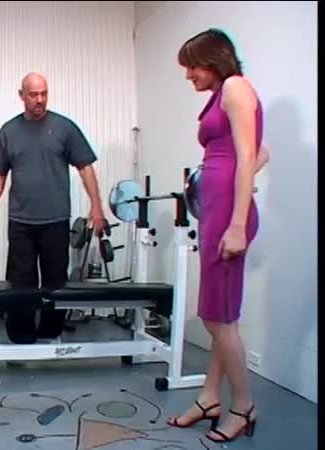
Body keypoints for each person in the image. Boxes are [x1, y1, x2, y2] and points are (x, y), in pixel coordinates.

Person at [166, 29, 270, 443]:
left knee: (216, 318)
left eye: (192, 66)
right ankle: (209, 397)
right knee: (220, 313)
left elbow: (247, 155)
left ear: (213, 60)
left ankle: (243, 406)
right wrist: (219, 178)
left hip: (229, 217)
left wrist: (238, 223)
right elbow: (262, 153)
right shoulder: (220, 95)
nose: (188, 75)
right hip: (217, 212)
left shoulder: (236, 87)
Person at [0, 72, 106, 344]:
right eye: (33, 95)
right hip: (21, 221)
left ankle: (51, 335)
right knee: (20, 283)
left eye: (44, 94)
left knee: (55, 282)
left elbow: (86, 168)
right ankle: (21, 338)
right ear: (21, 96)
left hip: (55, 220)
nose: (40, 100)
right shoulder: (9, 131)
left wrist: (96, 206)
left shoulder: (64, 128)